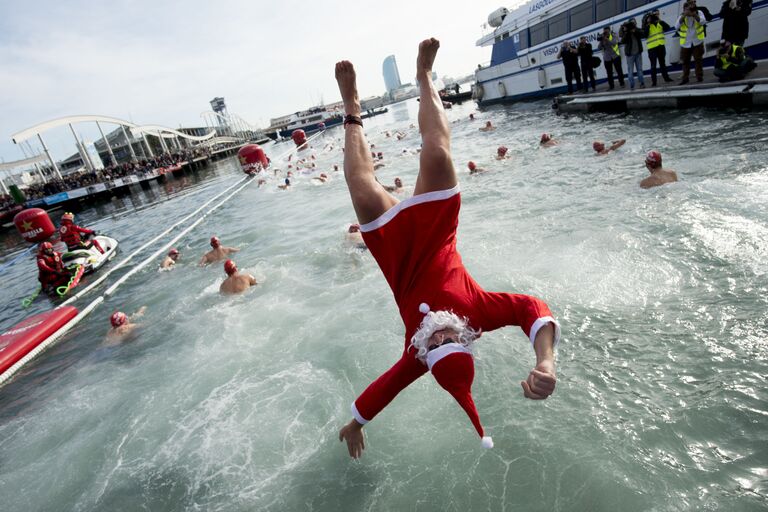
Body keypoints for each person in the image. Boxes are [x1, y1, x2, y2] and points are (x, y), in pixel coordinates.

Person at [334, 38, 560, 459]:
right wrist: (546, 361)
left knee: (361, 186)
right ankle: (424, 77)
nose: (437, 337)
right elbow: (533, 308)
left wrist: (355, 422)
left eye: (434, 346)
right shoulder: (479, 314)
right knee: (437, 153)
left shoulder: (415, 354)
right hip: (437, 233)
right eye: (448, 339)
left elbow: (385, 389)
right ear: (465, 339)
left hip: (395, 254)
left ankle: (352, 109)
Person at [676, 2, 708, 84]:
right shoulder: (682, 16)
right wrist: (684, 15)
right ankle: (685, 78)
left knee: (698, 60)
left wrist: (694, 14)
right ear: (684, 9)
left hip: (697, 41)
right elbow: (676, 27)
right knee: (685, 62)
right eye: (687, 9)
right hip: (686, 43)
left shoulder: (699, 12)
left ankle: (699, 77)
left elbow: (703, 22)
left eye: (690, 8)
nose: (689, 10)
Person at [642, 10, 674, 86]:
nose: (655, 17)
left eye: (656, 15)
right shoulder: (647, 26)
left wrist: (659, 20)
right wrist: (648, 23)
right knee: (653, 66)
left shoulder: (660, 23)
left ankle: (666, 78)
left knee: (662, 64)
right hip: (652, 48)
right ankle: (654, 82)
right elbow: (645, 35)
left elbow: (667, 27)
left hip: (661, 46)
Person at [620, 18, 646, 89]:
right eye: (632, 23)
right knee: (630, 70)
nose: (633, 24)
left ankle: (642, 83)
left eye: (634, 23)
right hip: (630, 55)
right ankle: (632, 85)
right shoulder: (626, 33)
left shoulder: (637, 30)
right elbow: (622, 41)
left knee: (639, 69)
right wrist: (626, 31)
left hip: (638, 53)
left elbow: (643, 34)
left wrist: (635, 31)